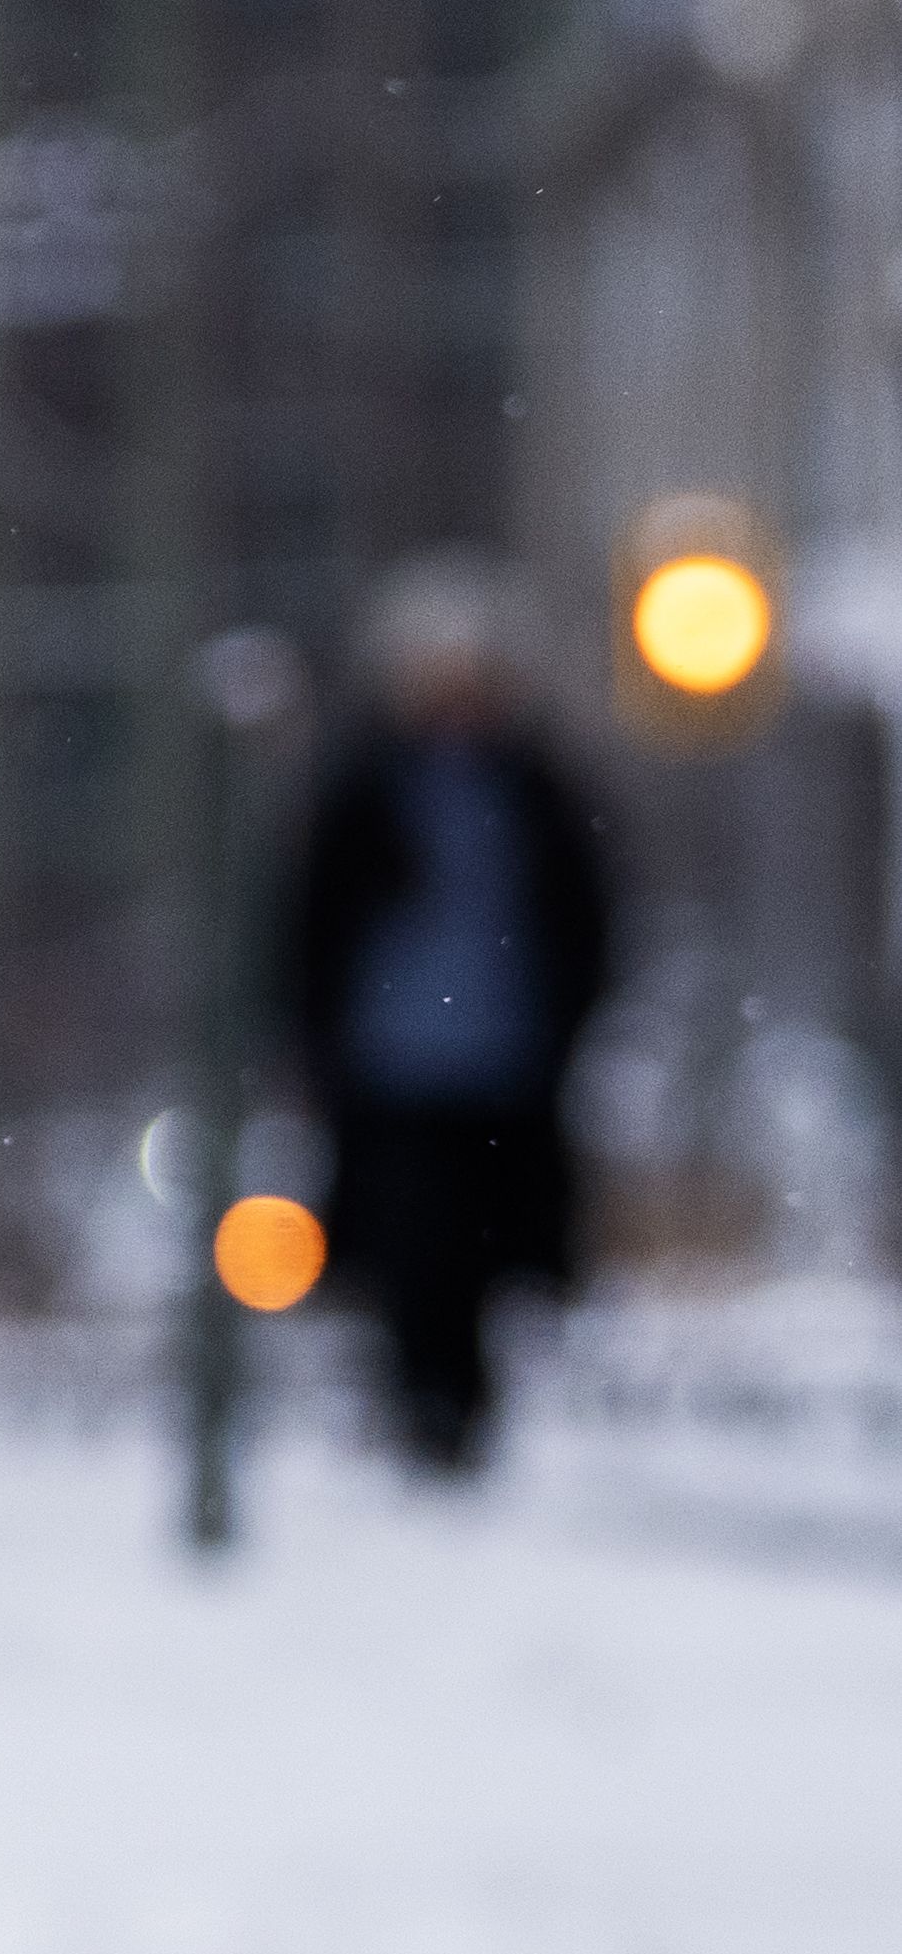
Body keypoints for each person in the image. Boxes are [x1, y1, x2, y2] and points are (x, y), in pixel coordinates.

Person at [272, 559, 616, 1475]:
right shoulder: (366, 793)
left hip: (503, 1062)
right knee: (407, 1241)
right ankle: (418, 1402)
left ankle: (460, 1405)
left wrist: (567, 1021)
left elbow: (582, 918)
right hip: (394, 1062)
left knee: (485, 1246)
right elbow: (309, 921)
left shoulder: (535, 793)